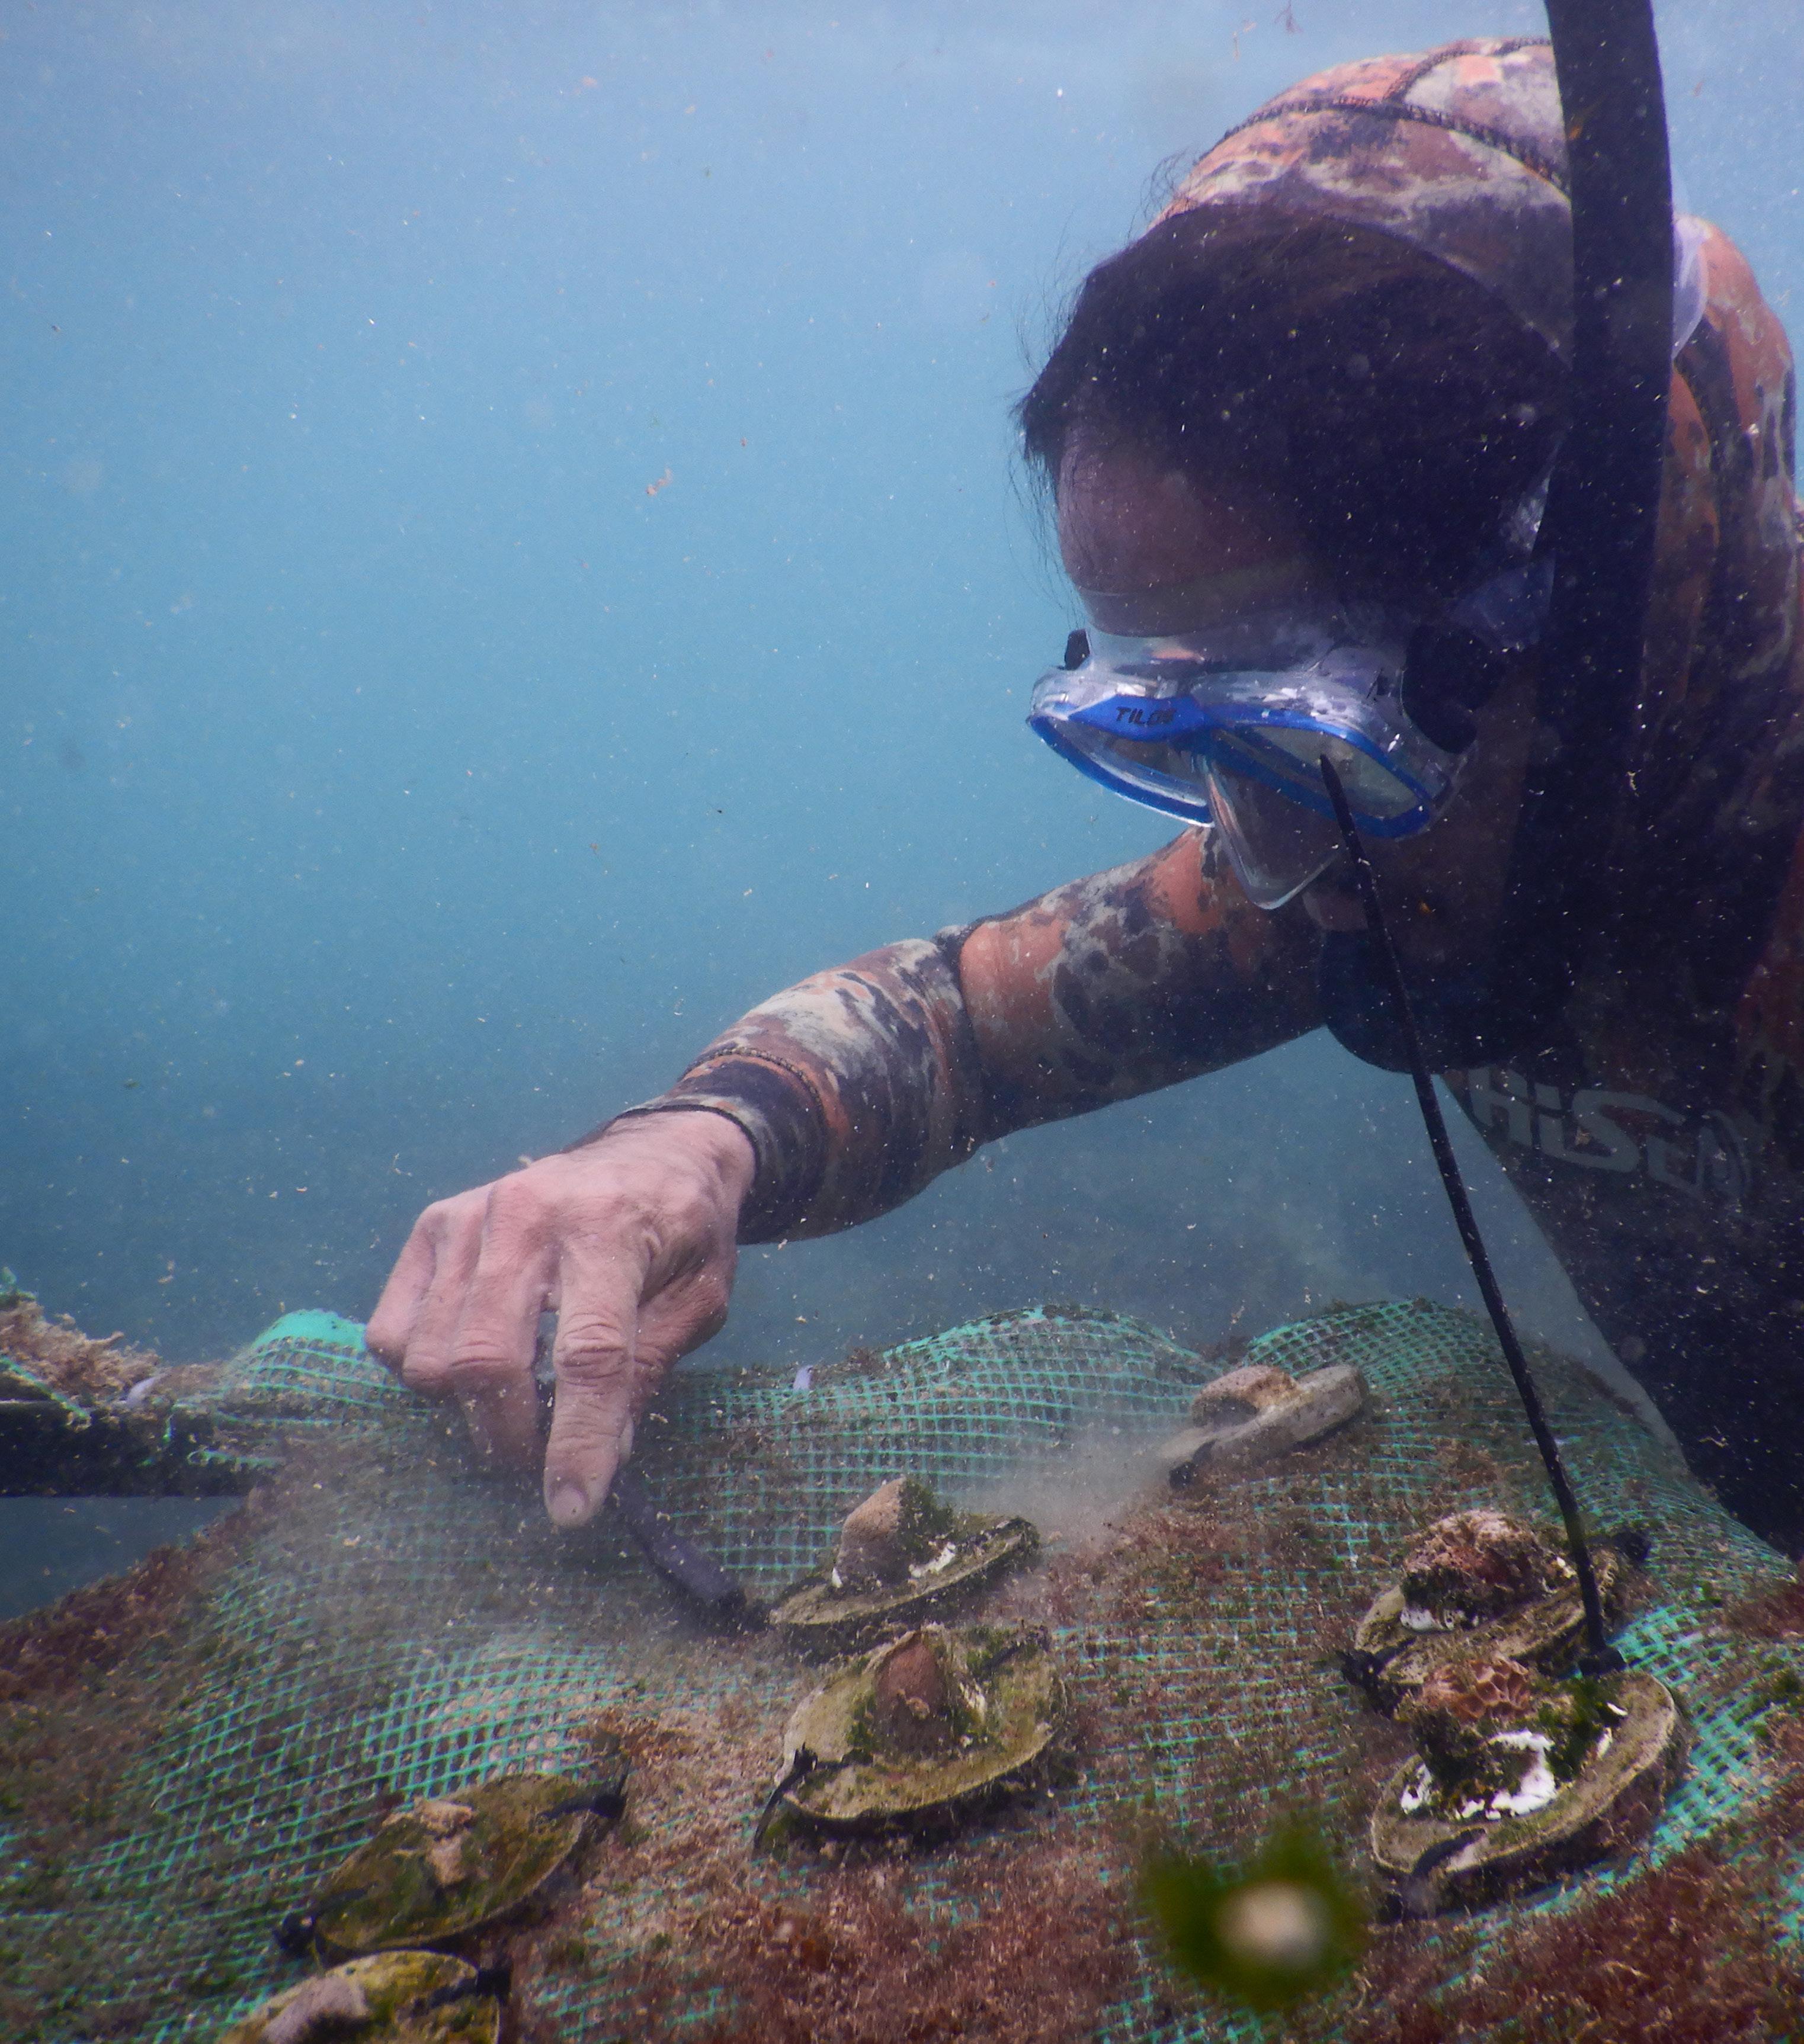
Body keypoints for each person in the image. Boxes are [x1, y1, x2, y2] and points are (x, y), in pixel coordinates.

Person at [368, 38, 1804, 1554]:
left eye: (1313, 730)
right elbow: (955, 1021)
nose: (1271, 857)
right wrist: (690, 1146)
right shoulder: (1397, 852)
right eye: (1181, 738)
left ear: (1613, 616)